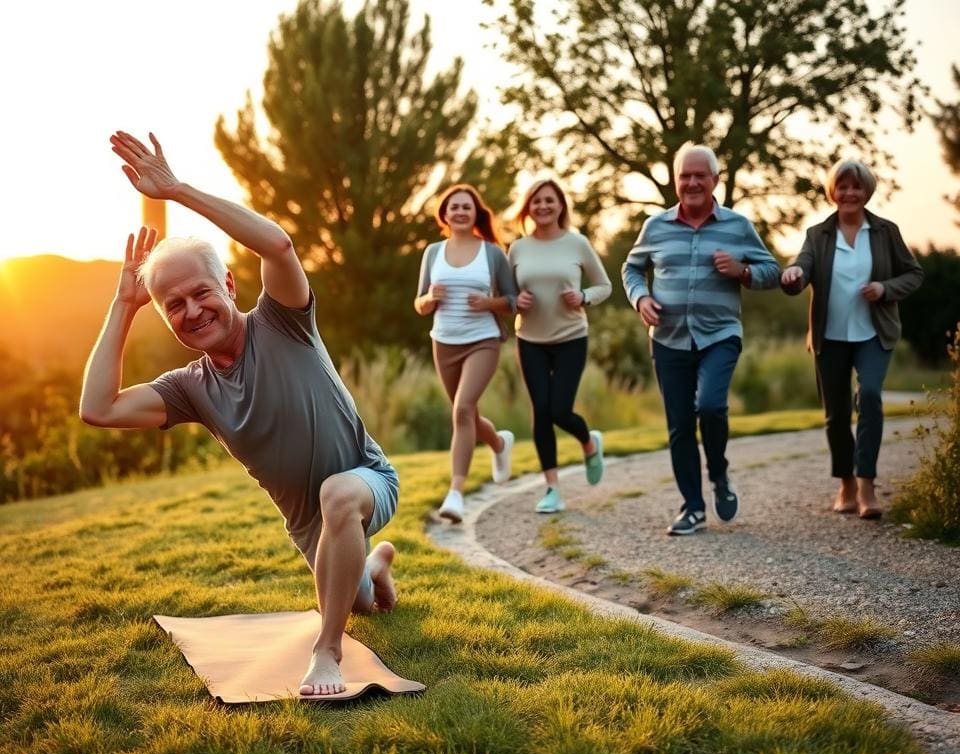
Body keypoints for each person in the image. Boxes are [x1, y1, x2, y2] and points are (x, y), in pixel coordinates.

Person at [80, 131, 399, 697]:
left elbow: (277, 245)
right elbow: (98, 408)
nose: (192, 310)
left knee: (339, 495)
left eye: (201, 292)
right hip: (310, 526)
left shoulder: (282, 321)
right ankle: (375, 569)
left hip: (366, 478)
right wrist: (122, 305)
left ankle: (327, 653)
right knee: (362, 602)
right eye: (173, 305)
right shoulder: (189, 389)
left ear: (228, 284)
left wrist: (176, 191)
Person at [622, 142, 781, 536]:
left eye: (700, 176)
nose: (692, 182)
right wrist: (640, 298)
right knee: (679, 426)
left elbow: (773, 271)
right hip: (668, 338)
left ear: (715, 180)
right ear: (676, 181)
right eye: (685, 176)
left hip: (719, 335)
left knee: (710, 406)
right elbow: (631, 268)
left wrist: (742, 271)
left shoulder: (737, 226)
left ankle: (720, 473)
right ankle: (692, 507)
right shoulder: (655, 227)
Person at [781, 159, 923, 519]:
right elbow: (804, 265)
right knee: (837, 414)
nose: (849, 193)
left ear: (867, 192)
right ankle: (845, 483)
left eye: (856, 187)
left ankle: (867, 487)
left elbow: (913, 273)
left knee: (871, 396)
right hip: (830, 337)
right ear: (833, 191)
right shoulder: (818, 234)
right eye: (842, 187)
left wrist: (884, 288)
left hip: (873, 333)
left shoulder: (885, 232)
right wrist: (795, 274)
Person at [414, 184, 517, 523]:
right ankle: (499, 444)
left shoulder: (492, 253)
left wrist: (489, 303)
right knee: (468, 417)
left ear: (476, 214)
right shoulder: (433, 252)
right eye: (454, 207)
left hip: (482, 340)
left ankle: (455, 494)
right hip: (444, 342)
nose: (460, 211)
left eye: (467, 207)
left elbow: (513, 301)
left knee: (462, 410)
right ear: (444, 214)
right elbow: (419, 304)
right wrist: (430, 299)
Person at [509, 178, 612, 513]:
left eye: (549, 200)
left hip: (571, 337)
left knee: (559, 410)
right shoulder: (518, 248)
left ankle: (588, 443)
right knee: (541, 411)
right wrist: (515, 300)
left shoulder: (577, 243)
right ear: (529, 207)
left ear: (560, 205)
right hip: (530, 340)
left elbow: (604, 285)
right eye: (536, 201)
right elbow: (508, 293)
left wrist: (583, 297)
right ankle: (552, 489)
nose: (543, 206)